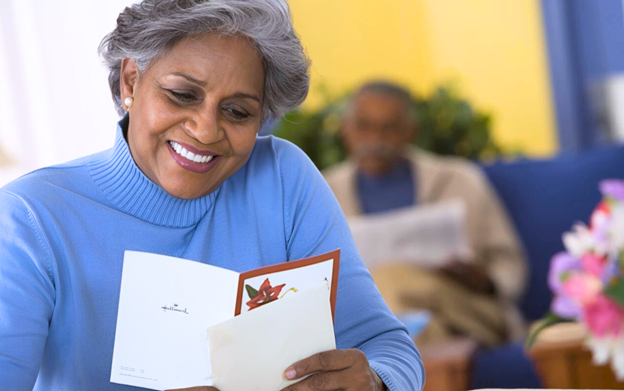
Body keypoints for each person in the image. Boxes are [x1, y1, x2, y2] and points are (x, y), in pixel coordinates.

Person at [0, 2, 424, 390]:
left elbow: (387, 345)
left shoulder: (281, 179)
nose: (205, 130)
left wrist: (375, 380)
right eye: (182, 95)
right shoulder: (31, 218)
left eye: (237, 111)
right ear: (131, 79)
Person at [323, 81, 528, 347]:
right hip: (409, 323)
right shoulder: (323, 192)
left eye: (389, 128)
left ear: (410, 131)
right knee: (422, 328)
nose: (375, 139)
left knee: (390, 282)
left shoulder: (460, 179)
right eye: (364, 127)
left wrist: (486, 281)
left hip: (467, 310)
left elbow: (510, 264)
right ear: (346, 129)